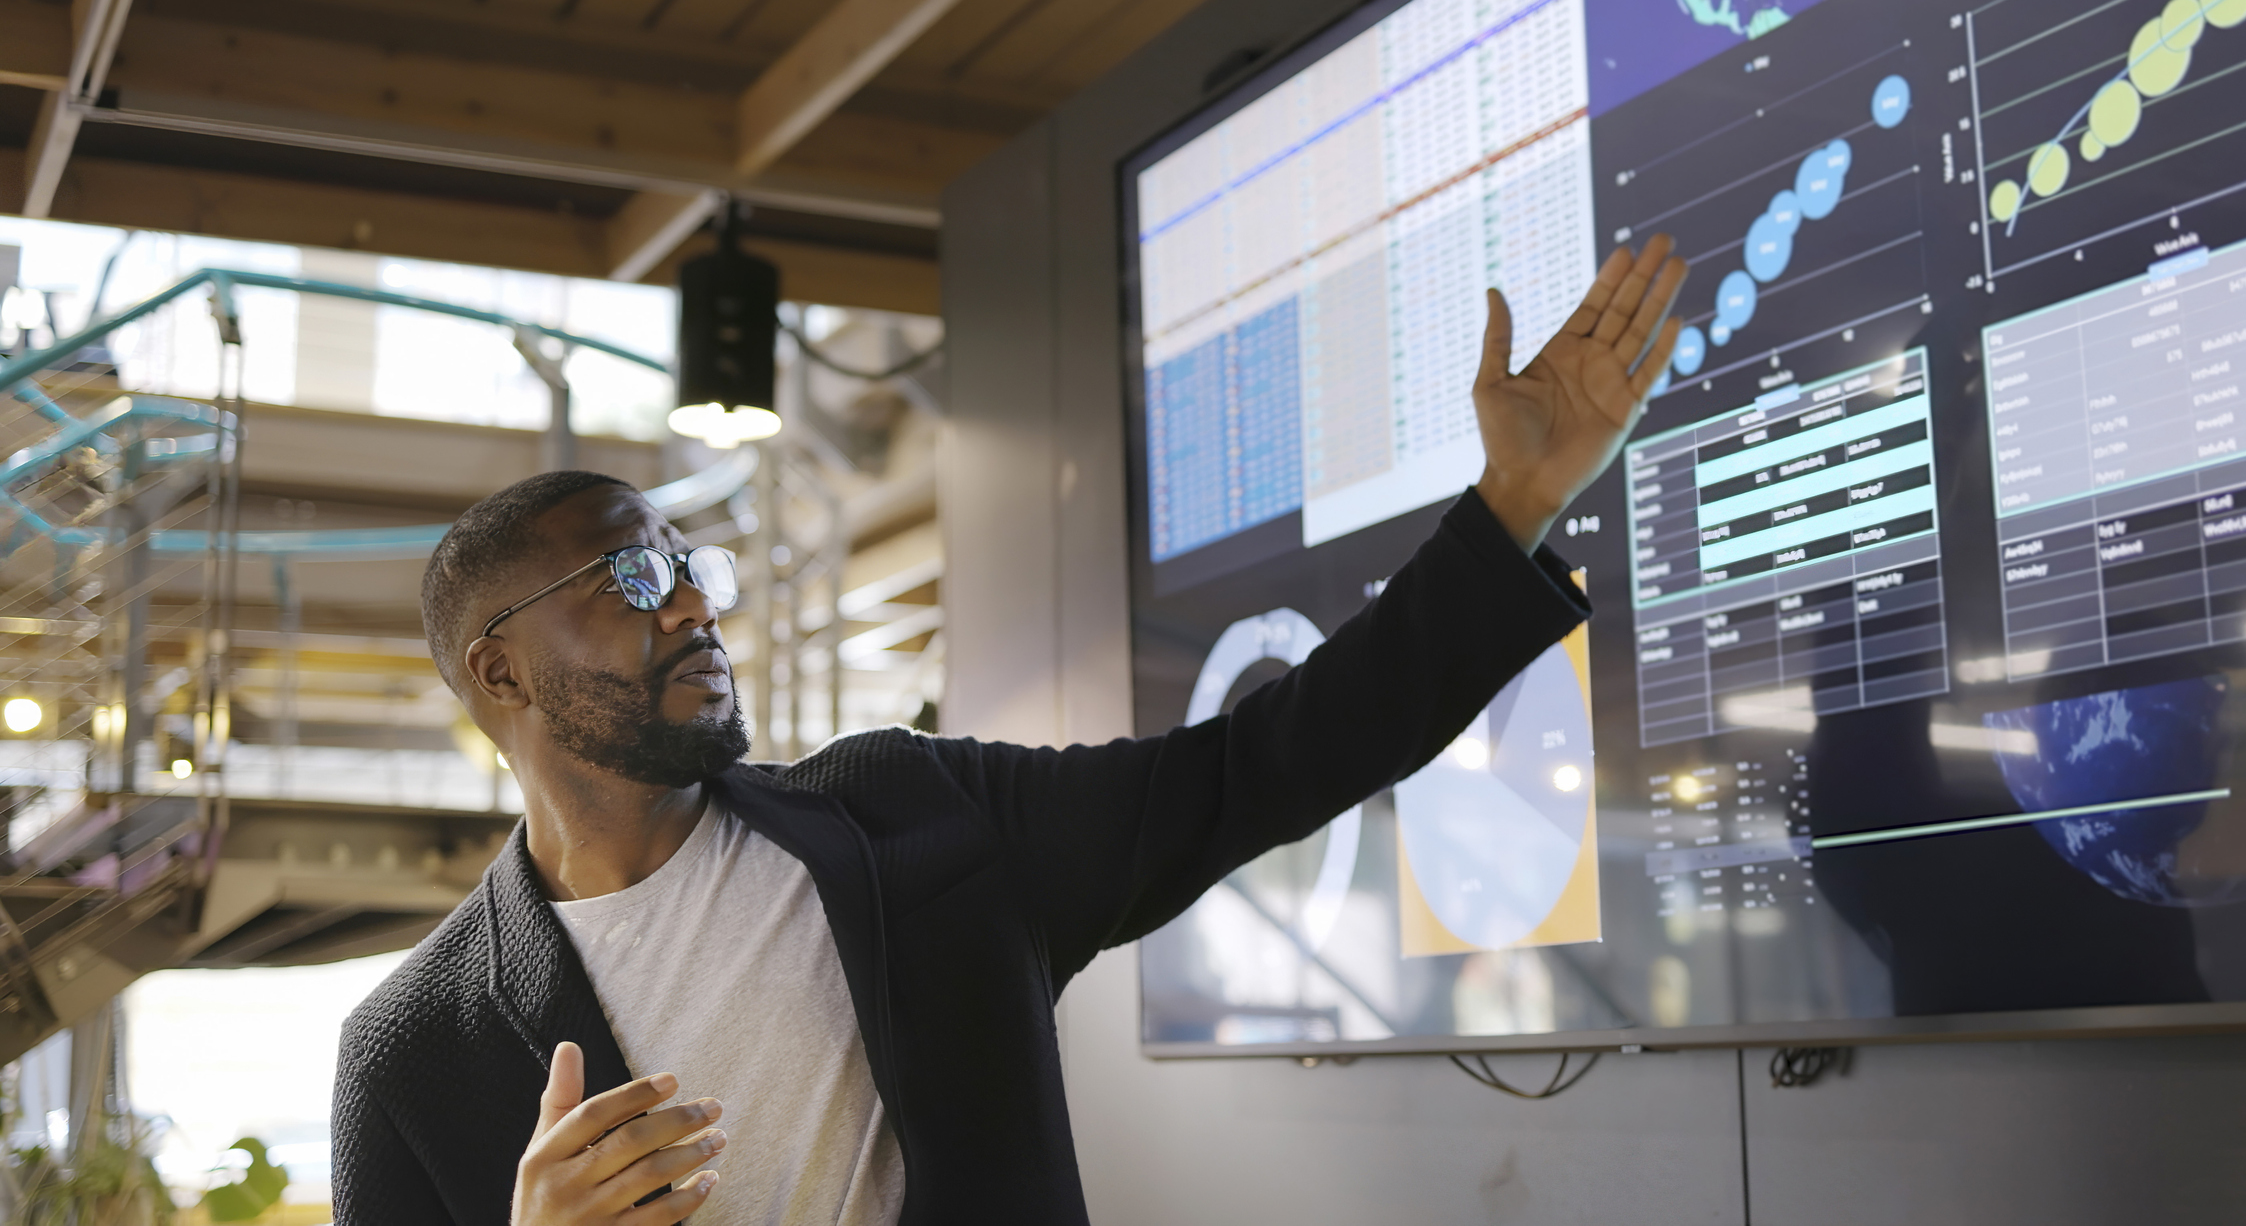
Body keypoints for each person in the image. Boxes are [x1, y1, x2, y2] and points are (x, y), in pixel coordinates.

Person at [330, 237, 1687, 1225]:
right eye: (630, 576)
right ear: (499, 673)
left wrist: (1509, 503)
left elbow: (1267, 764)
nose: (689, 600)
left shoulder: (919, 821)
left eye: (693, 564)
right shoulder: (410, 1055)